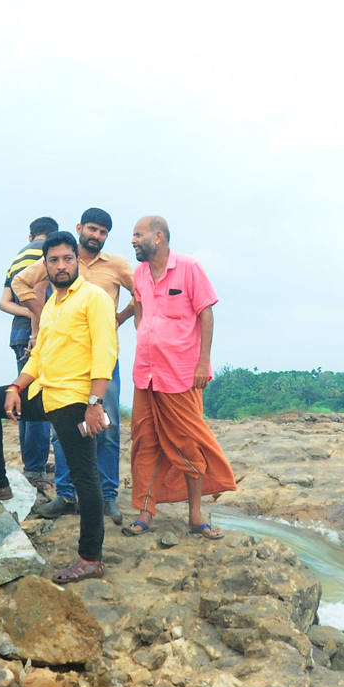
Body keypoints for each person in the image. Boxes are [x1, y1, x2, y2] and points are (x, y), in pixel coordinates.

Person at [0, 232, 115, 582]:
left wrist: (95, 403)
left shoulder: (94, 299)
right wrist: (17, 387)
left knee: (85, 478)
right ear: (45, 264)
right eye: (53, 260)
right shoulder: (51, 304)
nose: (61, 266)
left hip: (75, 400)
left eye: (67, 259)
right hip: (43, 393)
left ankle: (90, 558)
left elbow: (105, 353)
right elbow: (38, 356)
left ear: (77, 261)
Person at [13, 207, 135, 522]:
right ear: (80, 227)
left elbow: (144, 292)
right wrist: (43, 314)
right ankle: (66, 494)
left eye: (103, 232)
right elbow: (20, 283)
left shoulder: (117, 266)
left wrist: (119, 318)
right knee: (62, 428)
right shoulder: (61, 259)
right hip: (61, 361)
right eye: (92, 229)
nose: (96, 236)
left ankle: (108, 496)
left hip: (101, 360)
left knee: (105, 427)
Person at [126, 216, 236, 538]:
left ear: (158, 237)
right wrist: (146, 335)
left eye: (138, 235)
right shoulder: (139, 274)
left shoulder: (189, 268)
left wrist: (204, 363)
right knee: (145, 441)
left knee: (188, 443)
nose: (133, 240)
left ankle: (196, 516)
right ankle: (146, 513)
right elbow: (139, 309)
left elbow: (206, 313)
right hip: (145, 374)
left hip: (181, 375)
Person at [0, 217, 59, 489]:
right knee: (39, 398)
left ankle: (31, 461)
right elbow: (39, 289)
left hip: (18, 333)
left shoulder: (17, 257)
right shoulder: (46, 253)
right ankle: (35, 468)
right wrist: (39, 318)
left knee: (24, 396)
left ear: (30, 235)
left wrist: (25, 311)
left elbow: (4, 302)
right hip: (36, 335)